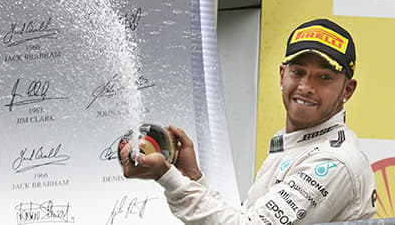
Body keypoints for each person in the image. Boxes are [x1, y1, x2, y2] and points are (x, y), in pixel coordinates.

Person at [120, 18, 377, 224]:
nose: (306, 86)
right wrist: (192, 177)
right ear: (282, 75)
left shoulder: (335, 162)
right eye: (298, 72)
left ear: (348, 90)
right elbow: (244, 219)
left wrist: (167, 177)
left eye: (324, 78)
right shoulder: (300, 145)